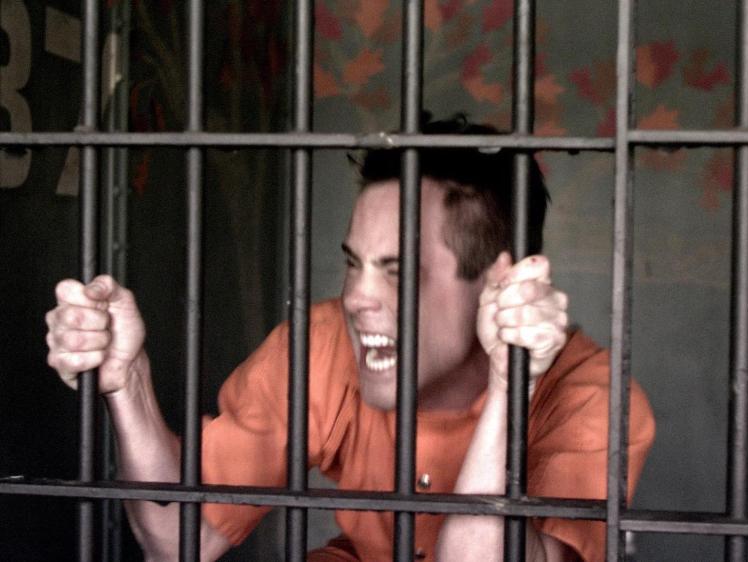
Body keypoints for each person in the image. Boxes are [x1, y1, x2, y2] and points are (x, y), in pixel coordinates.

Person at [45, 114, 655, 562]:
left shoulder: (591, 397)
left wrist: (508, 383)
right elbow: (179, 539)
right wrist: (128, 382)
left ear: (498, 282)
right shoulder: (322, 345)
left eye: (397, 271)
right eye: (353, 263)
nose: (357, 297)